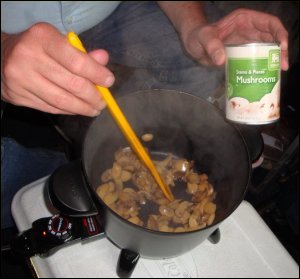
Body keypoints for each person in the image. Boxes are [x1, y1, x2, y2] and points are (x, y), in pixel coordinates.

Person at [0, 2, 292, 229]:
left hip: (110, 10)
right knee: (17, 183)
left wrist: (193, 27)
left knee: (199, 67)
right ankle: (49, 177)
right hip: (9, 32)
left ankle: (232, 129)